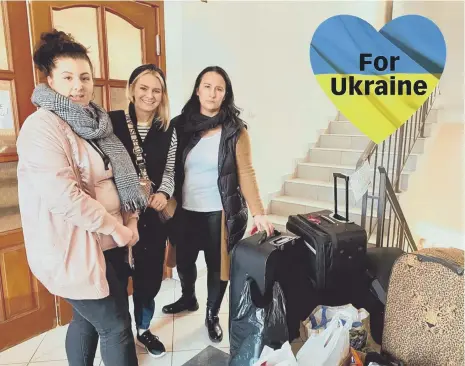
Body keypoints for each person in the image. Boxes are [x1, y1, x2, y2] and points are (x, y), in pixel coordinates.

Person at [16, 30, 144, 366]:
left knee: (87, 319)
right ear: (50, 80)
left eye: (85, 77)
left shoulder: (96, 123)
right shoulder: (41, 127)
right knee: (116, 327)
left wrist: (130, 220)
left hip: (112, 242)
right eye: (68, 77)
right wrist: (117, 229)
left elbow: (120, 176)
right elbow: (65, 197)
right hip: (75, 248)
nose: (79, 86)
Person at [162, 66, 274, 342]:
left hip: (219, 212)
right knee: (185, 262)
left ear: (226, 94)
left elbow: (246, 172)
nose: (212, 93)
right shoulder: (179, 126)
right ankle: (189, 298)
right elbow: (166, 166)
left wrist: (258, 211)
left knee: (217, 266)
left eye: (219, 88)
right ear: (198, 89)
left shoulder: (236, 130)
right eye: (207, 86)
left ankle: (212, 314)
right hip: (186, 210)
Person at [109, 64, 176, 358]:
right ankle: (119, 332)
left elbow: (171, 169)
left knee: (149, 278)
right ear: (132, 90)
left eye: (156, 90)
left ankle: (143, 329)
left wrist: (164, 192)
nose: (150, 96)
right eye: (144, 88)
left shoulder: (167, 129)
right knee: (117, 276)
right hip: (118, 216)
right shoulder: (112, 123)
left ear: (163, 95)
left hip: (152, 220)